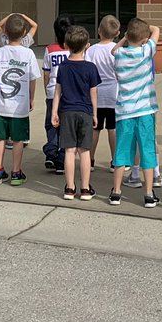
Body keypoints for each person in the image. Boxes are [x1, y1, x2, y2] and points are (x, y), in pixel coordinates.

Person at [109, 17, 161, 208]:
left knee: (121, 152)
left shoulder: (120, 55)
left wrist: (124, 37)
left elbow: (113, 50)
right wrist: (148, 30)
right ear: (144, 39)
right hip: (145, 111)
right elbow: (156, 31)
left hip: (124, 112)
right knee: (147, 150)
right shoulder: (146, 52)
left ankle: (116, 192)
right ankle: (148, 194)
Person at [0, 13, 41, 186]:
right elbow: (32, 79)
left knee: (0, 138)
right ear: (24, 32)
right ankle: (16, 172)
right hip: (20, 104)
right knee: (18, 139)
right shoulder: (28, 54)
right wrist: (32, 98)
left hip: (2, 102)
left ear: (5, 33)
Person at [51, 24, 100, 200]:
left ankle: (70, 188)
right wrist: (95, 114)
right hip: (85, 111)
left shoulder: (63, 67)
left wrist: (54, 112)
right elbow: (93, 93)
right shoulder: (91, 68)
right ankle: (85, 188)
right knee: (84, 151)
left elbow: (58, 91)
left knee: (69, 151)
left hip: (67, 111)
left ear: (66, 44)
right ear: (87, 45)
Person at [85, 14, 120, 169]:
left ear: (99, 30)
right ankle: (115, 161)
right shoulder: (117, 51)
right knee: (113, 129)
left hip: (96, 94)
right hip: (114, 93)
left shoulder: (91, 50)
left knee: (95, 128)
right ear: (117, 33)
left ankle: (90, 160)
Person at [42, 13, 74, 173]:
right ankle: (61, 160)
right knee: (66, 128)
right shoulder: (74, 49)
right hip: (69, 94)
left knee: (51, 124)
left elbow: (46, 74)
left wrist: (46, 88)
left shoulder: (50, 49)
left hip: (52, 92)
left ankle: (51, 152)